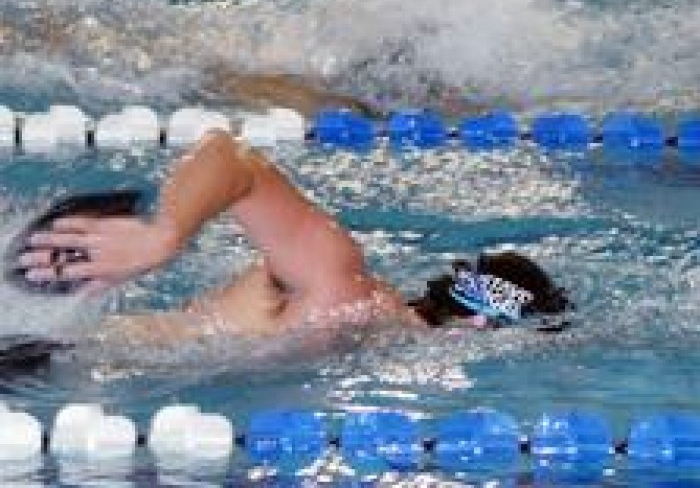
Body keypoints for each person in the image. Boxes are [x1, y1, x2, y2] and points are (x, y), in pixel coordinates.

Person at [17, 131, 571, 345]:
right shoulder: (342, 292)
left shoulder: (354, 324)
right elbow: (232, 158)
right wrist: (163, 236)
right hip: (47, 353)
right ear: (482, 327)